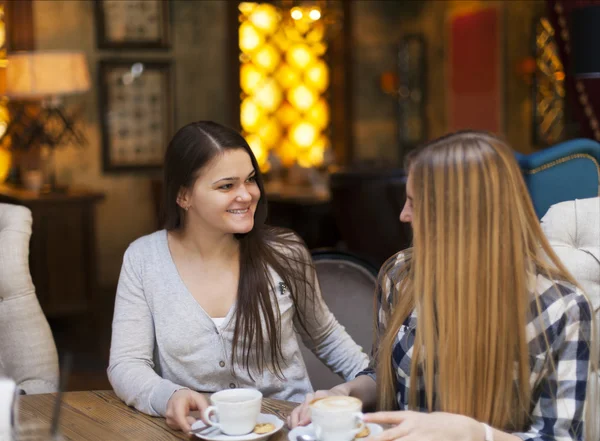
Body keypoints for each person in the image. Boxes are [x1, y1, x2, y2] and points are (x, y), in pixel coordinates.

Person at [289, 131, 598, 441]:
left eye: (413, 203)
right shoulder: (400, 275)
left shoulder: (563, 310)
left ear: (458, 216)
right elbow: (385, 376)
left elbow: (560, 436)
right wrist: (347, 391)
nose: (403, 215)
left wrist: (475, 433)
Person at [108, 121, 369, 433]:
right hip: (201, 431)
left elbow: (326, 337)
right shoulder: (143, 260)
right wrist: (170, 396)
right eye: (226, 186)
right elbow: (126, 364)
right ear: (184, 196)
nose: (246, 195)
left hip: (289, 430)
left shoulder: (285, 253)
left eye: (250, 180)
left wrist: (378, 382)